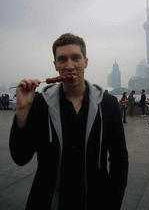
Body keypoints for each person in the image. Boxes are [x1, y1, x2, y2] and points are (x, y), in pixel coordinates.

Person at [9, 33, 128, 210]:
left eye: (76, 58)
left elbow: (119, 160)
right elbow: (20, 157)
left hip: (95, 202)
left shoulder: (108, 104)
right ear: (55, 65)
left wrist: (113, 203)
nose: (69, 66)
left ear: (86, 62)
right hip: (47, 201)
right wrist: (22, 111)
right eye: (62, 59)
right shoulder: (41, 104)